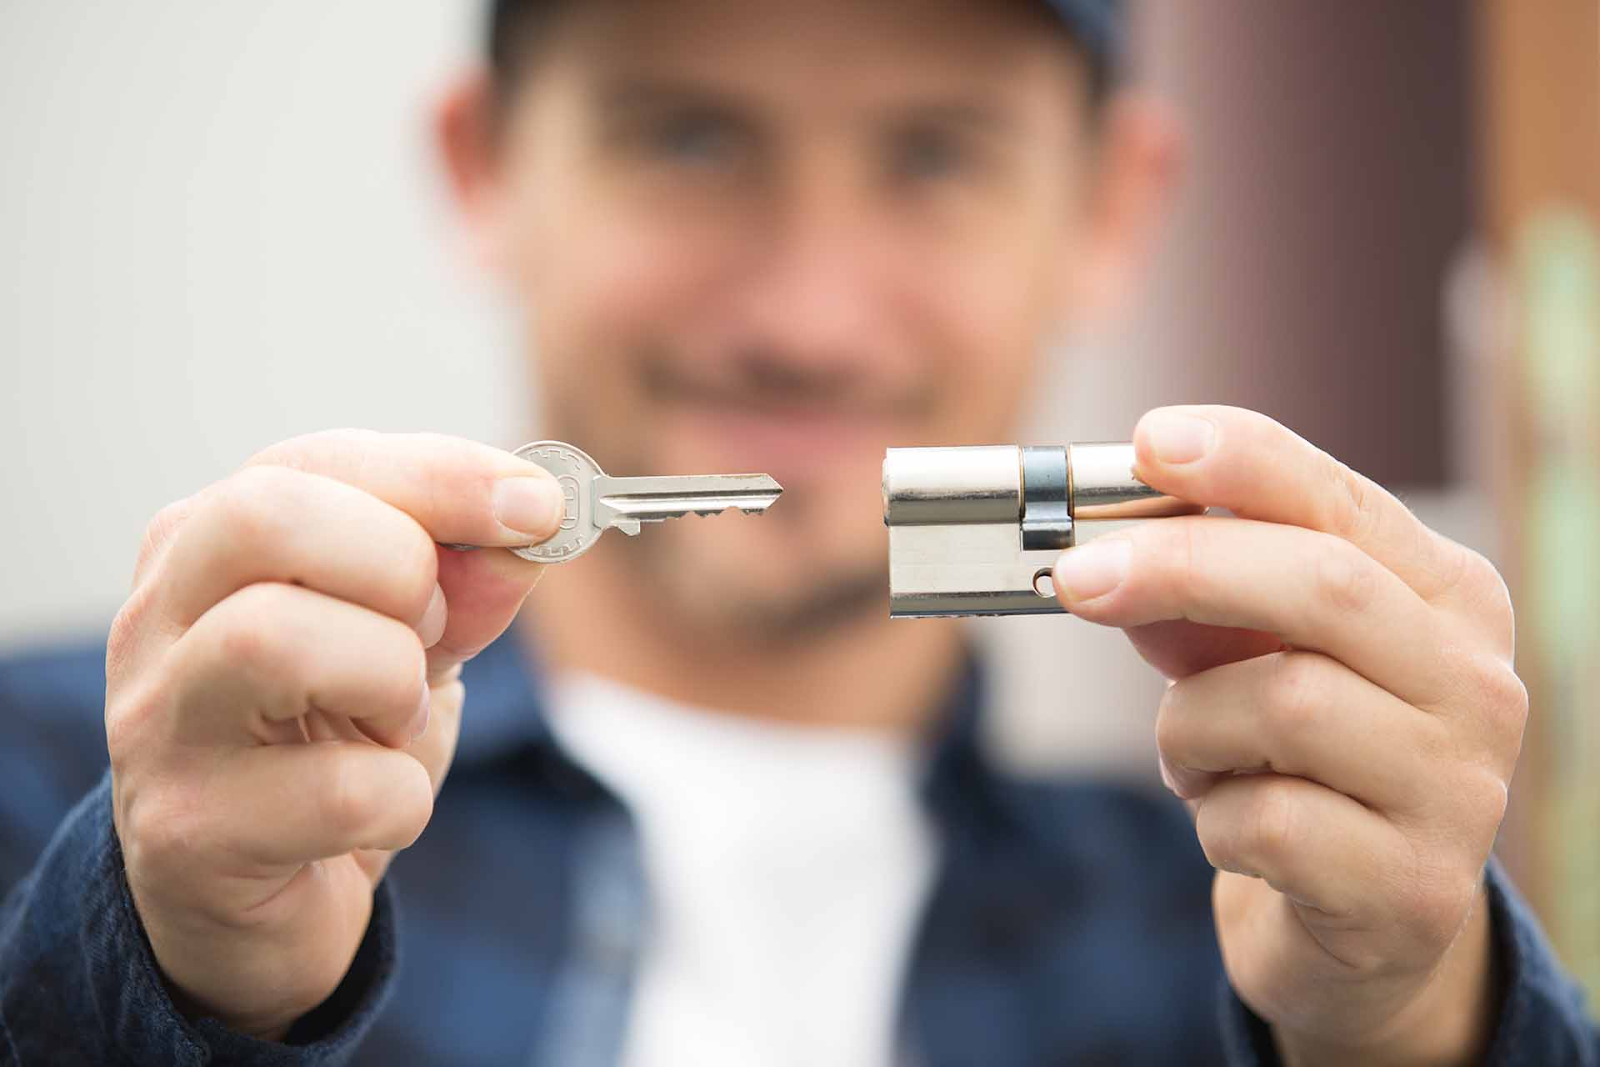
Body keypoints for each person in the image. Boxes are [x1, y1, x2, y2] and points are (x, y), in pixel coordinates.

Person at [1, 0, 1595, 1063]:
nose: (809, 319)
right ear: (487, 171)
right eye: (689, 137)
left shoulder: (1258, 924)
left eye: (934, 154)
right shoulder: (84, 795)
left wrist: (1415, 1021)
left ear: (1109, 209)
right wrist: (170, 968)